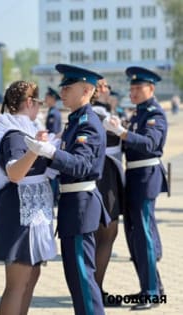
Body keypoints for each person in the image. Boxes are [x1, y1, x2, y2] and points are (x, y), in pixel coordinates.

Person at [25, 64, 110, 315]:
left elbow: (82, 164)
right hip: (74, 203)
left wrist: (51, 152)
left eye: (68, 87)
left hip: (81, 204)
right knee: (76, 276)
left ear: (86, 90)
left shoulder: (88, 123)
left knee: (82, 276)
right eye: (62, 86)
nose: (62, 91)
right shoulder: (76, 120)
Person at [0, 80, 57, 315]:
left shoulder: (27, 130)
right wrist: (36, 149)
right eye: (38, 102)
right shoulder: (14, 135)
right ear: (29, 102)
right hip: (18, 211)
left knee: (31, 275)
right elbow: (15, 172)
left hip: (32, 210)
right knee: (18, 282)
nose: (40, 108)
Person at [103, 66, 168, 310]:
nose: (133, 92)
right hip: (134, 175)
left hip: (146, 176)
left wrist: (122, 133)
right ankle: (151, 287)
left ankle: (151, 292)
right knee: (135, 236)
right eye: (131, 88)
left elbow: (150, 143)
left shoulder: (155, 115)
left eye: (138, 88)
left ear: (151, 89)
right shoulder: (138, 113)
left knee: (143, 234)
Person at [91, 78, 125, 307]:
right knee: (106, 233)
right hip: (105, 177)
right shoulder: (98, 114)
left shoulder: (100, 112)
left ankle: (94, 288)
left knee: (103, 235)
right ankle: (96, 290)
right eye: (102, 86)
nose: (107, 89)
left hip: (105, 176)